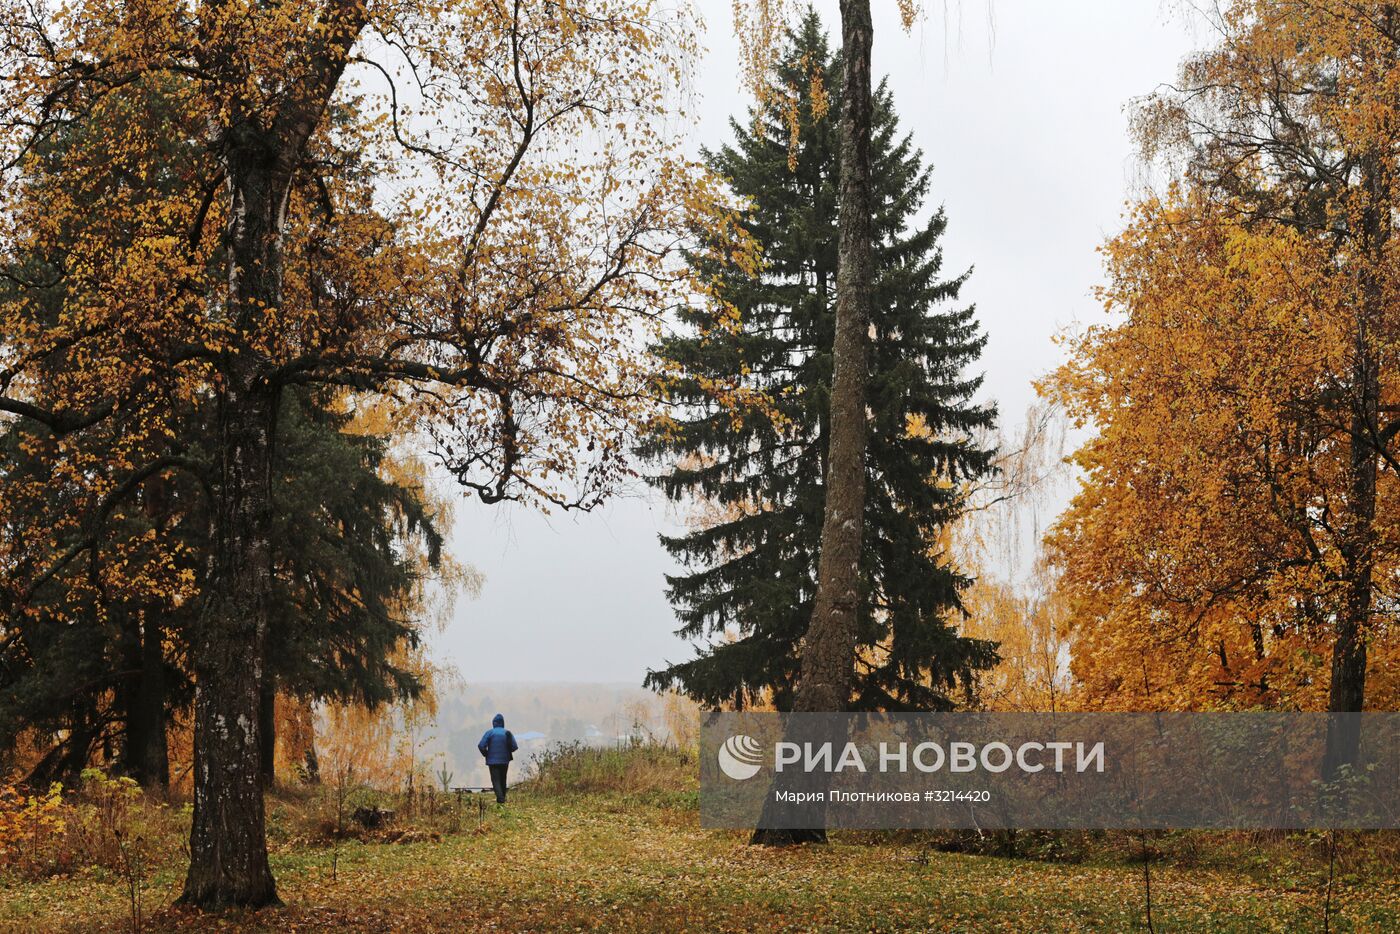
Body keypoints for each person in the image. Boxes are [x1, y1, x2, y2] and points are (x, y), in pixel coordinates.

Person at [477, 713, 518, 804]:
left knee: (495, 780)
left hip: (492, 761)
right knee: (503, 779)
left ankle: (501, 800)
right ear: (503, 723)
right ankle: (502, 798)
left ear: (494, 723)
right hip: (504, 761)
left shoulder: (489, 733)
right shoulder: (507, 733)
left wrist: (486, 754)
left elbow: (481, 745)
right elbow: (515, 747)